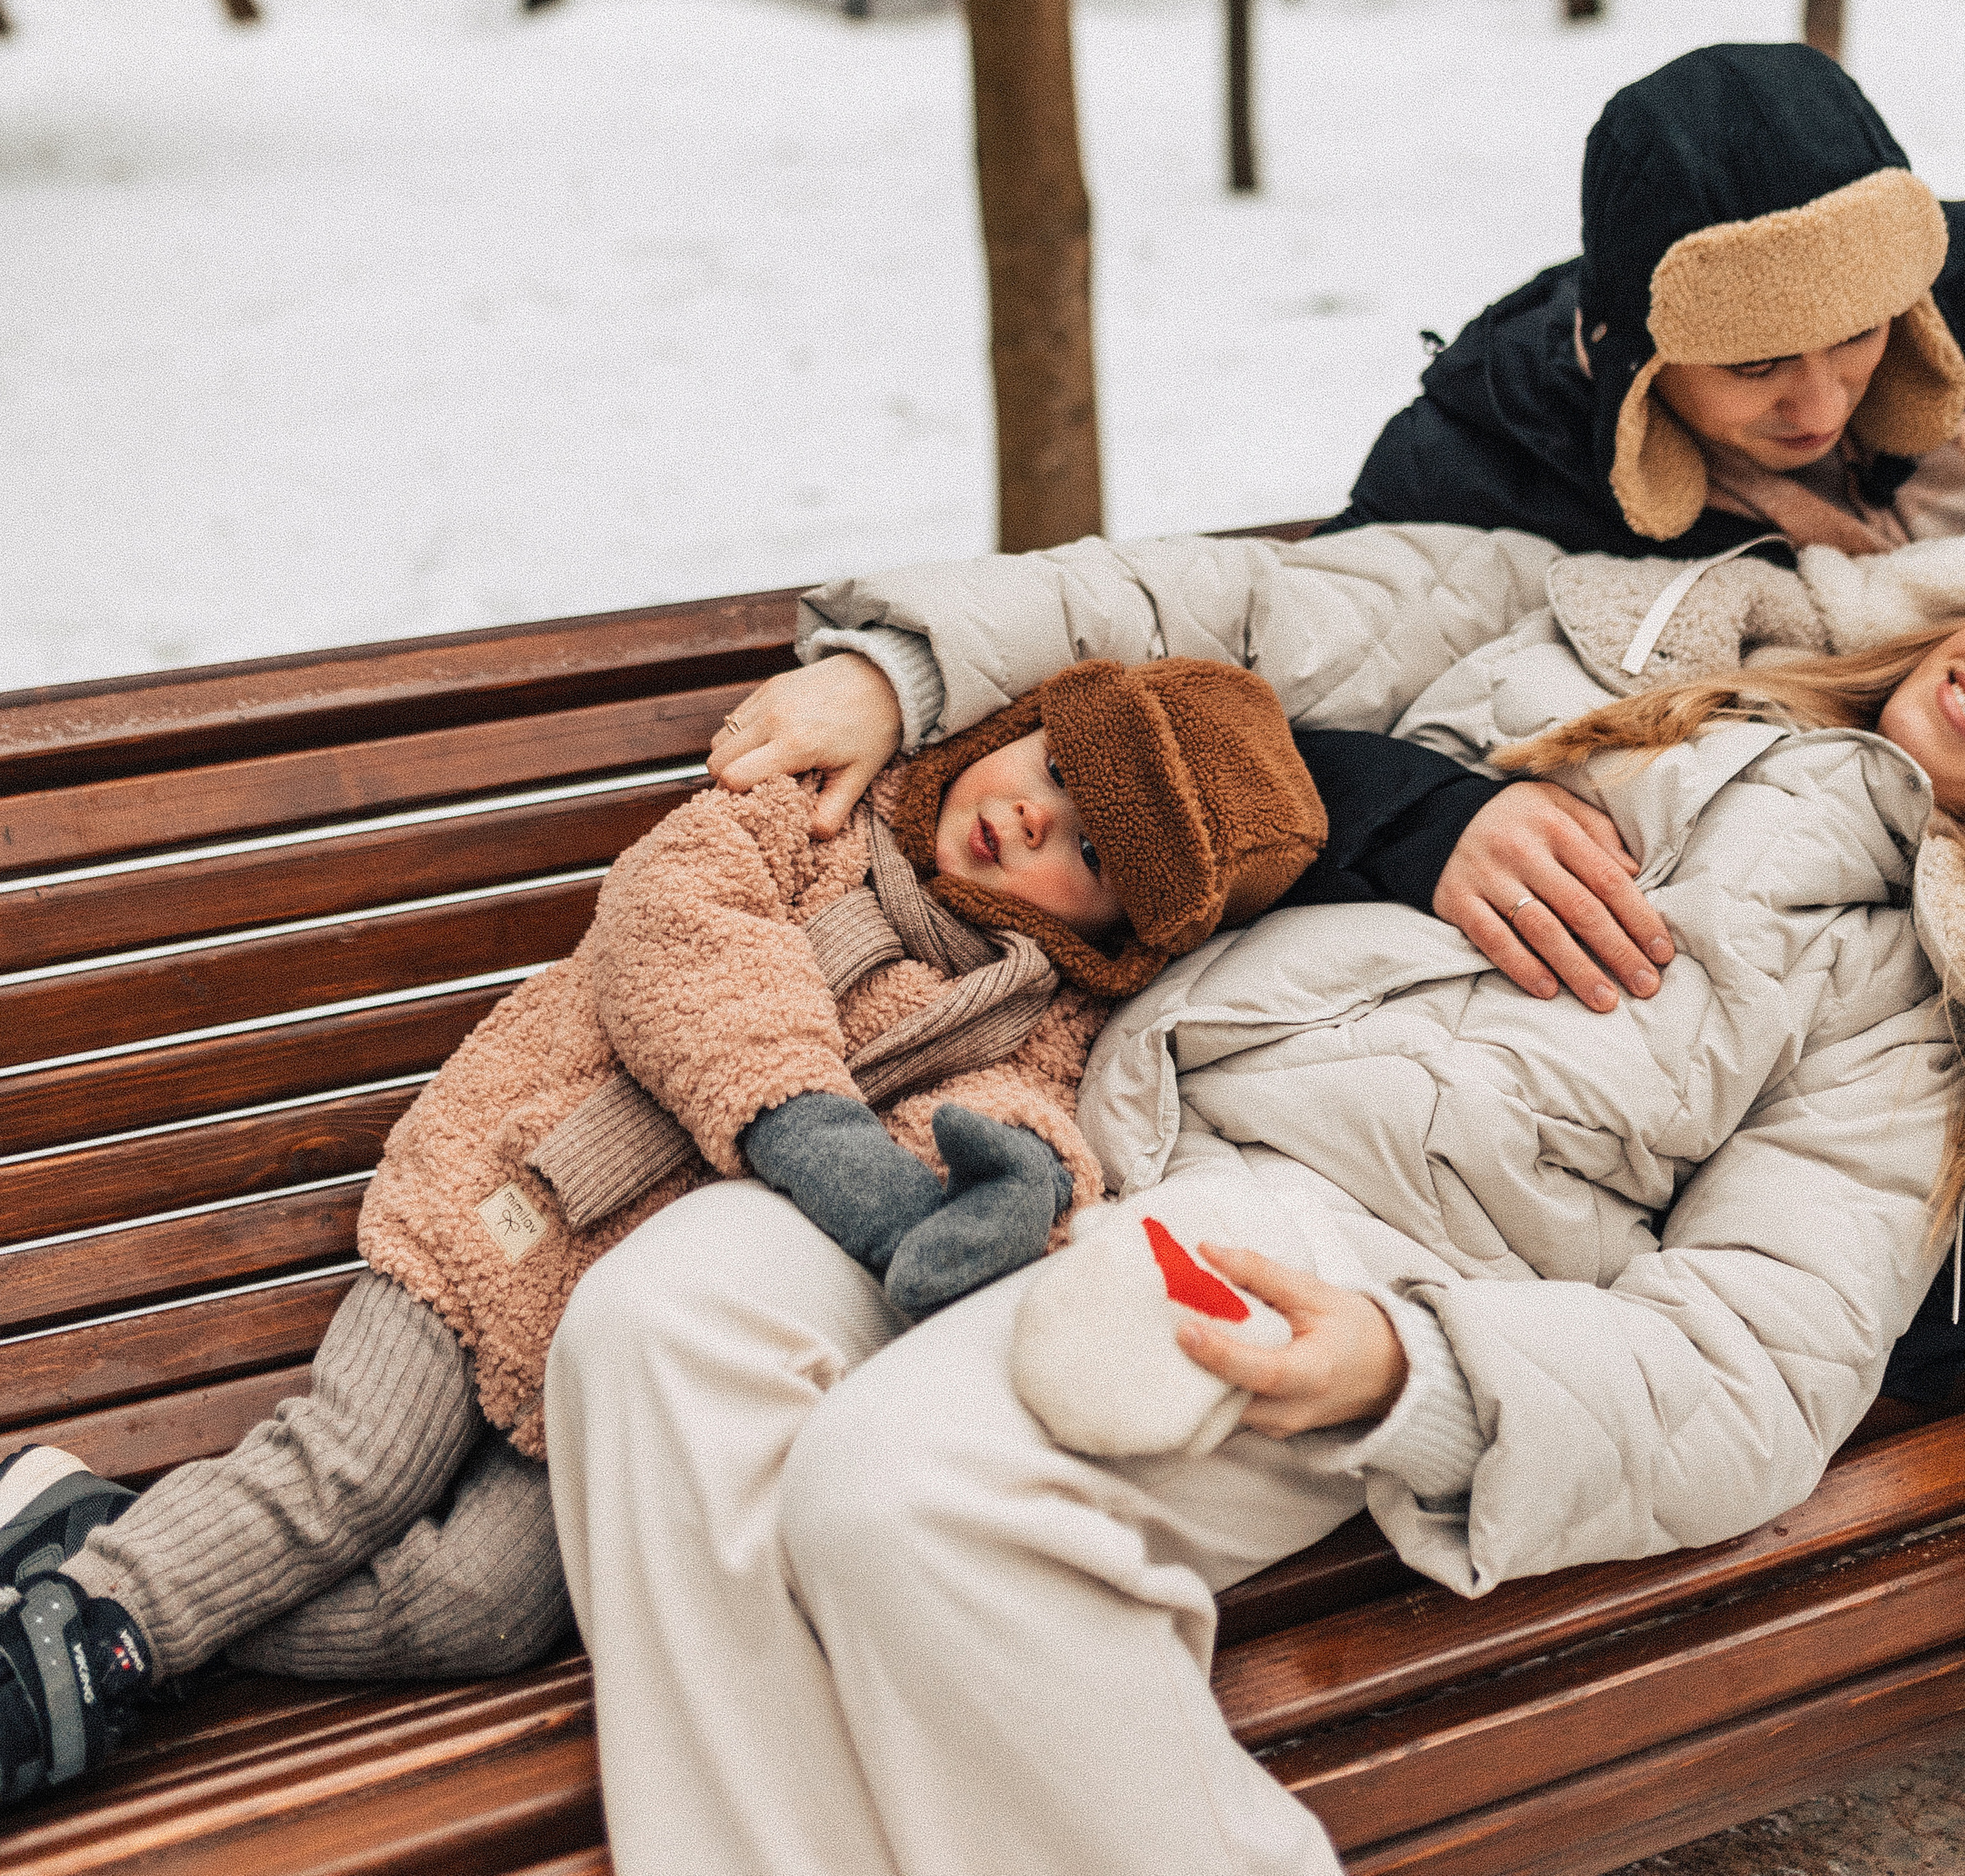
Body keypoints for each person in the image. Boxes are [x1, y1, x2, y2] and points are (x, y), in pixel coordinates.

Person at [547, 522, 1965, 1876]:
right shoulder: (1624, 621)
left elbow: (1754, 1369)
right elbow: (1216, 608)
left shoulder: (1907, 1002)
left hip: (1345, 1239)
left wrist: (1413, 1370)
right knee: (659, 1327)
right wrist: (895, 675)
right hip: (1063, 1119)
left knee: (914, 1492)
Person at [0, 649, 1534, 1808]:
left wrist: (989, 1203)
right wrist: (806, 1130)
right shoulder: (814, 829)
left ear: (1123, 931)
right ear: (1015, 731)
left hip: (612, 1360)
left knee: (482, 1609)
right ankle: (93, 1635)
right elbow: (679, 937)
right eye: (1049, 772)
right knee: (351, 1471)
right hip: (504, 1219)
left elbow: (1014, 1127)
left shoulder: (1041, 1022)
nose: (1028, 819)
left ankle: (99, 1532)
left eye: (1086, 849)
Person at [1328, 41, 1965, 561]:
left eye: (1857, 335)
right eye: (1754, 365)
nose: (1822, 405)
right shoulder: (1466, 471)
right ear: (1637, 355)